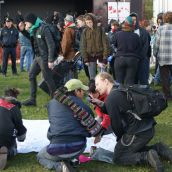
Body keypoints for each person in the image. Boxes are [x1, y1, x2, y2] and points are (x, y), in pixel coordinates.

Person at [94, 72, 172, 172]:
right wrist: (103, 105)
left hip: (138, 133)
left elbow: (116, 126)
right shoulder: (120, 87)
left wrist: (121, 140)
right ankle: (159, 149)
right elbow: (120, 106)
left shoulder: (111, 99)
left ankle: (147, 156)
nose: (96, 88)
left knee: (119, 157)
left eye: (97, 84)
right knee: (128, 149)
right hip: (148, 127)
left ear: (105, 81)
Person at [37, 79, 105, 171]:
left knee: (40, 156)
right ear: (77, 91)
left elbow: (53, 124)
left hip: (56, 147)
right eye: (82, 91)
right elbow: (90, 130)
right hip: (78, 147)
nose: (83, 94)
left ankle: (60, 167)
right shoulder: (83, 106)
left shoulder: (52, 103)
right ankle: (70, 161)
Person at [22, 13, 56, 106]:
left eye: (26, 23)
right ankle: (32, 100)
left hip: (44, 58)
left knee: (48, 78)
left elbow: (51, 44)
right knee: (31, 75)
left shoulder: (43, 28)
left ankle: (54, 101)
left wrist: (50, 60)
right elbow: (32, 39)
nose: (26, 24)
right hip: (37, 57)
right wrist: (23, 31)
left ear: (31, 21)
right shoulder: (34, 29)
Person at [0, 88, 27, 170]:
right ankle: (8, 152)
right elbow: (21, 131)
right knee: (13, 145)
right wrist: (21, 138)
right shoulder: (14, 108)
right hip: (5, 136)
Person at [80, 13, 110, 79]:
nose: (88, 24)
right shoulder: (85, 31)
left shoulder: (100, 29)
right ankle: (93, 89)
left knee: (104, 77)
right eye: (87, 22)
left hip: (101, 55)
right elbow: (83, 46)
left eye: (90, 22)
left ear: (93, 21)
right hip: (90, 56)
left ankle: (104, 89)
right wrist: (85, 59)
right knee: (92, 77)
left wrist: (105, 58)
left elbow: (105, 44)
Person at [112, 16, 141, 85]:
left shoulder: (117, 34)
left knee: (119, 82)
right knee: (130, 82)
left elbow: (114, 45)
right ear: (132, 26)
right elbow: (138, 47)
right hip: (132, 59)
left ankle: (120, 95)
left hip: (119, 58)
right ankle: (129, 95)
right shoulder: (136, 36)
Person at [153, 11, 172, 100]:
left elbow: (156, 43)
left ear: (164, 19)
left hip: (163, 57)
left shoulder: (160, 29)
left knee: (165, 78)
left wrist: (155, 53)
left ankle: (167, 95)